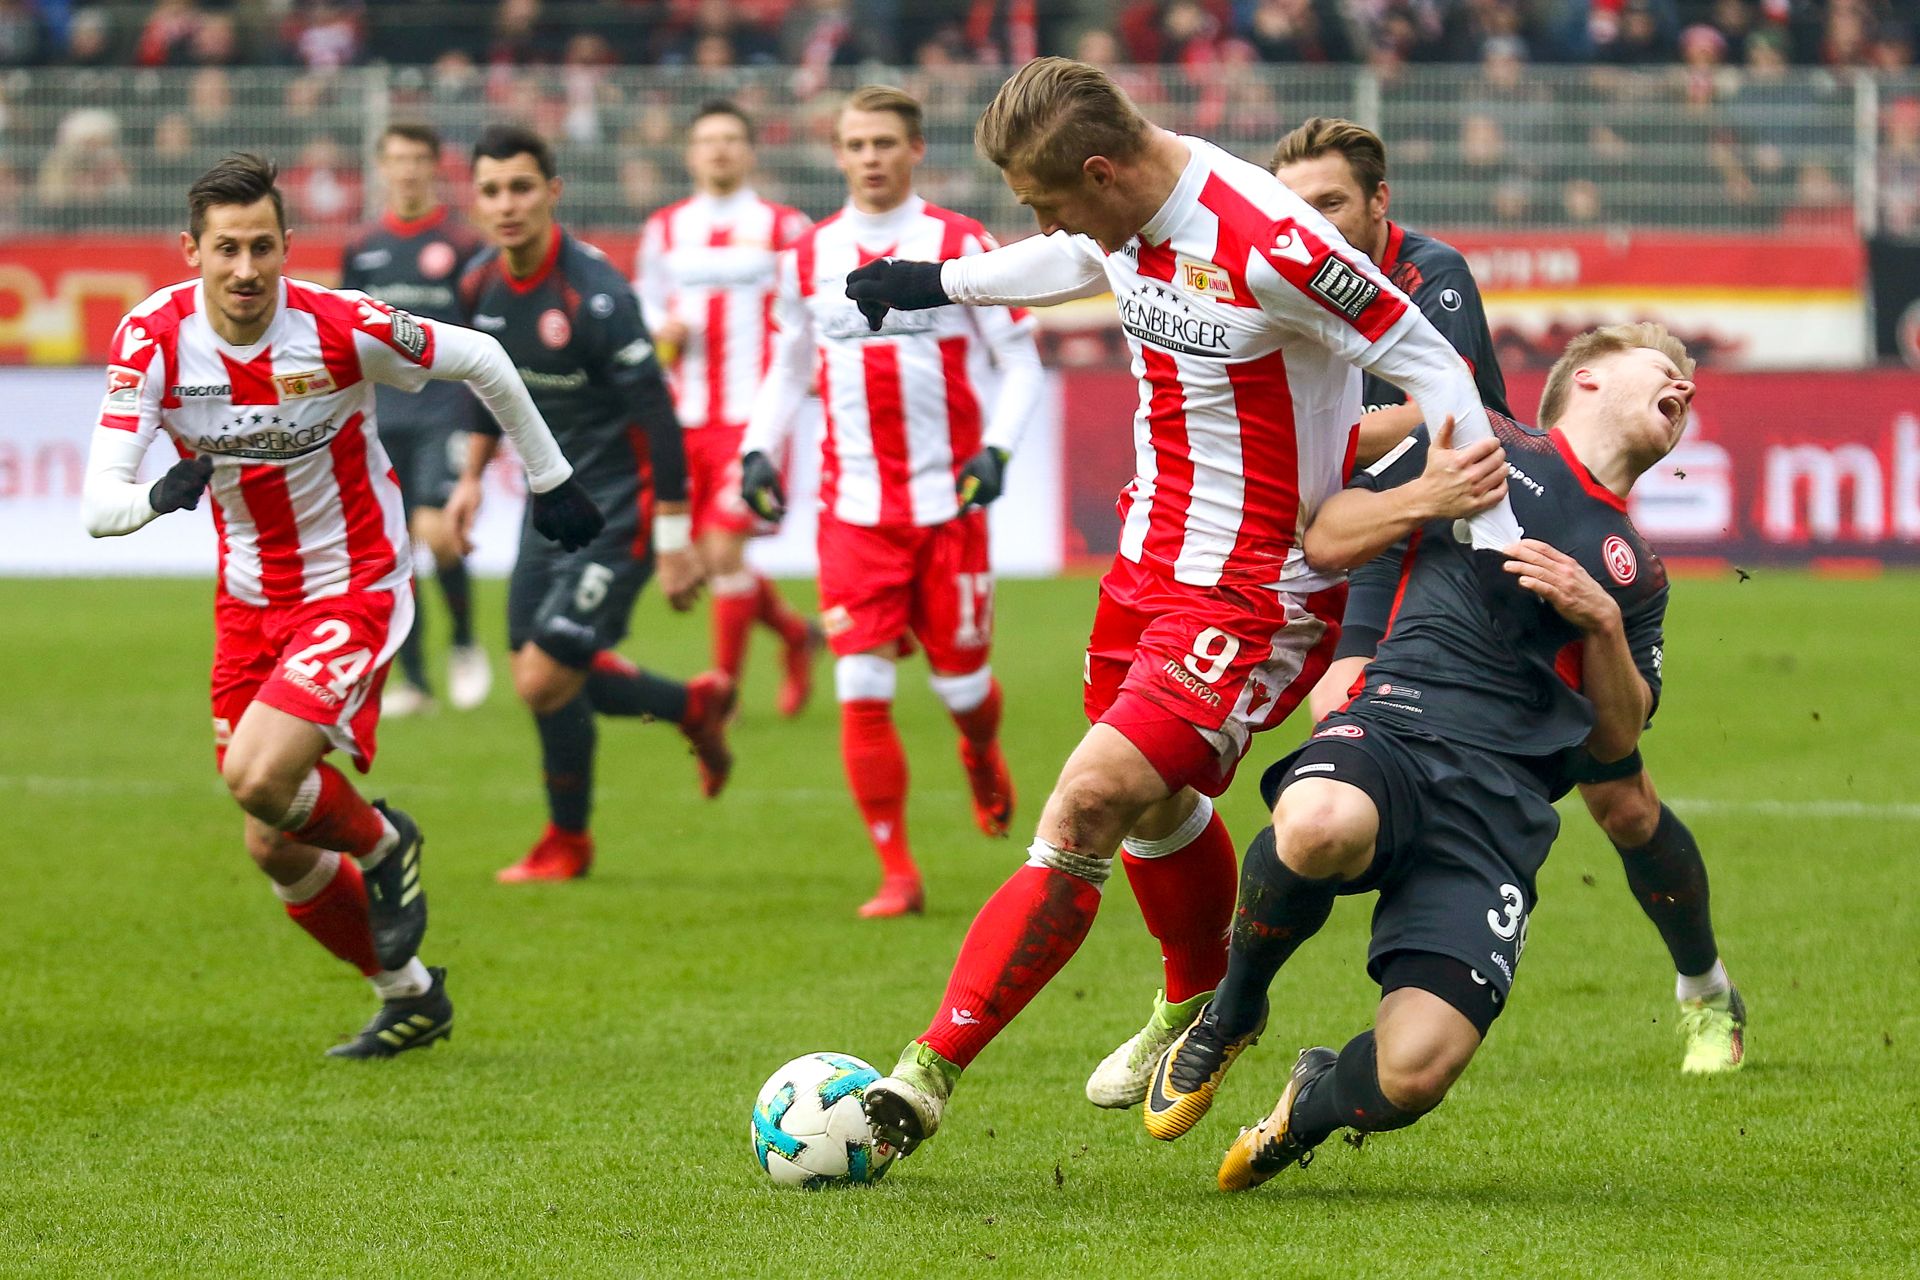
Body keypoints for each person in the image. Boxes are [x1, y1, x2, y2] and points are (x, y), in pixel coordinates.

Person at [840, 57, 1522, 1157]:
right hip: (1148, 556)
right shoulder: (1120, 218)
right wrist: (939, 282)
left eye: (1044, 194)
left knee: (1091, 796)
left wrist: (1488, 539)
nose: (1038, 215)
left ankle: (920, 1078)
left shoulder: (1276, 242)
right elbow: (1078, 250)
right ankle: (1195, 993)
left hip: (1261, 585)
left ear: (1103, 170)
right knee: (1157, 807)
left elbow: (1435, 362)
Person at [1144, 325, 1720, 1190]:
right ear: (1589, 379)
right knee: (1317, 822)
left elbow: (1616, 740)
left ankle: (1306, 1106)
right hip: (1401, 727)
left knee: (1413, 1075)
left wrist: (1599, 620)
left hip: (1501, 814)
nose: (1684, 384)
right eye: (1661, 367)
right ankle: (1232, 1011)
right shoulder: (1478, 435)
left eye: (1690, 378)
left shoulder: (1635, 572)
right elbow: (1329, 538)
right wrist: (1429, 498)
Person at [79, 153, 603, 1056]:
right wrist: (161, 497)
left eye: (263, 248)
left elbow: (480, 356)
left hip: (354, 582)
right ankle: (409, 994)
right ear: (190, 251)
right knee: (273, 841)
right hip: (247, 599)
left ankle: (384, 842)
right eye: (226, 250)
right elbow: (98, 505)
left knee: (257, 777)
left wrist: (550, 479)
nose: (245, 271)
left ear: (288, 247)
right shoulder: (151, 337)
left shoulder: (338, 324)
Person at [1283, 118, 1743, 1076]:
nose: (1309, 222)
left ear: (1377, 204)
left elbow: (1423, 414)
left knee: (1623, 803)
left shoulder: (1429, 273)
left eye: (1330, 202)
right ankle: (1231, 994)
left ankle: (1703, 987)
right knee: (1339, 716)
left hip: (1499, 531)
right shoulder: (1279, 270)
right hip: (1416, 549)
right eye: (1295, 203)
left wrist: (1295, 439)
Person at [738, 85, 1043, 919]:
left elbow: (1020, 360)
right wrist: (758, 451)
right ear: (838, 154)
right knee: (862, 686)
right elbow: (789, 369)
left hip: (949, 506)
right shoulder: (806, 257)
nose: (870, 156)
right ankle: (898, 873)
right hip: (852, 514)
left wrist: (998, 450)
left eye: (885, 141)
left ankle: (981, 753)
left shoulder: (958, 243)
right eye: (855, 143)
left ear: (914, 150)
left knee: (962, 691)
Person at [444, 125, 734, 885]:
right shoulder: (478, 286)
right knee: (544, 675)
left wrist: (673, 539)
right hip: (552, 506)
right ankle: (690, 708)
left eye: (521, 188)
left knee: (545, 677)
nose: (507, 205)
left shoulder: (595, 294)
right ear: (475, 203)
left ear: (552, 193)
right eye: (492, 191)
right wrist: (472, 479)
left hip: (621, 510)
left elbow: (658, 418)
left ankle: (568, 839)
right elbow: (487, 389)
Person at [634, 101, 822, 717]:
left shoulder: (785, 225)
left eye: (731, 139)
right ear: (690, 154)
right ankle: (796, 636)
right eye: (707, 139)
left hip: (755, 418)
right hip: (682, 420)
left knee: (720, 552)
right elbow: (645, 310)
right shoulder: (664, 230)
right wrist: (663, 331)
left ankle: (723, 691)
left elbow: (812, 308)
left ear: (749, 152)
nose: (718, 150)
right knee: (718, 560)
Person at [342, 123, 490, 717]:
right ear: (381, 166)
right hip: (382, 415)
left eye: (417, 159)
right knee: (393, 549)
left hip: (444, 410)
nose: (406, 170)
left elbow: (484, 333)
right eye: (396, 159)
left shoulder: (461, 243)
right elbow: (346, 332)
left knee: (438, 534)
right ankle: (417, 681)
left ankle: (463, 642)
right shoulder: (365, 246)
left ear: (434, 167)